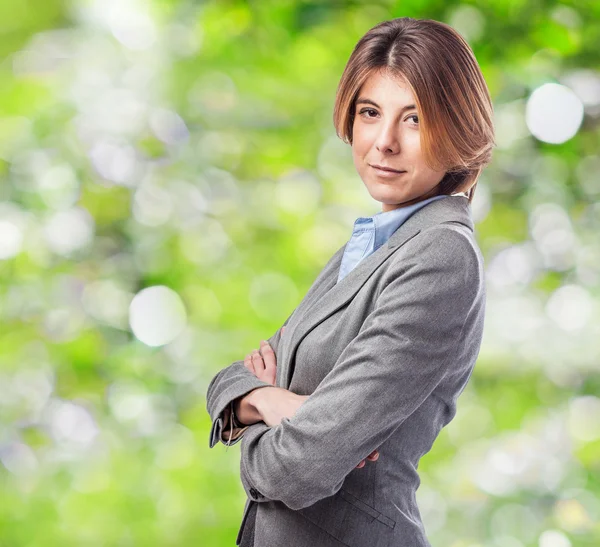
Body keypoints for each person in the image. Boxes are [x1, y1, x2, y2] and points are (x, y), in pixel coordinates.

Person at [206, 16, 495, 547]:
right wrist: (271, 403)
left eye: (414, 119)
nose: (383, 142)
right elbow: (229, 380)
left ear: (457, 128)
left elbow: (294, 470)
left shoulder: (440, 256)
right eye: (370, 113)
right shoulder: (375, 244)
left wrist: (256, 418)